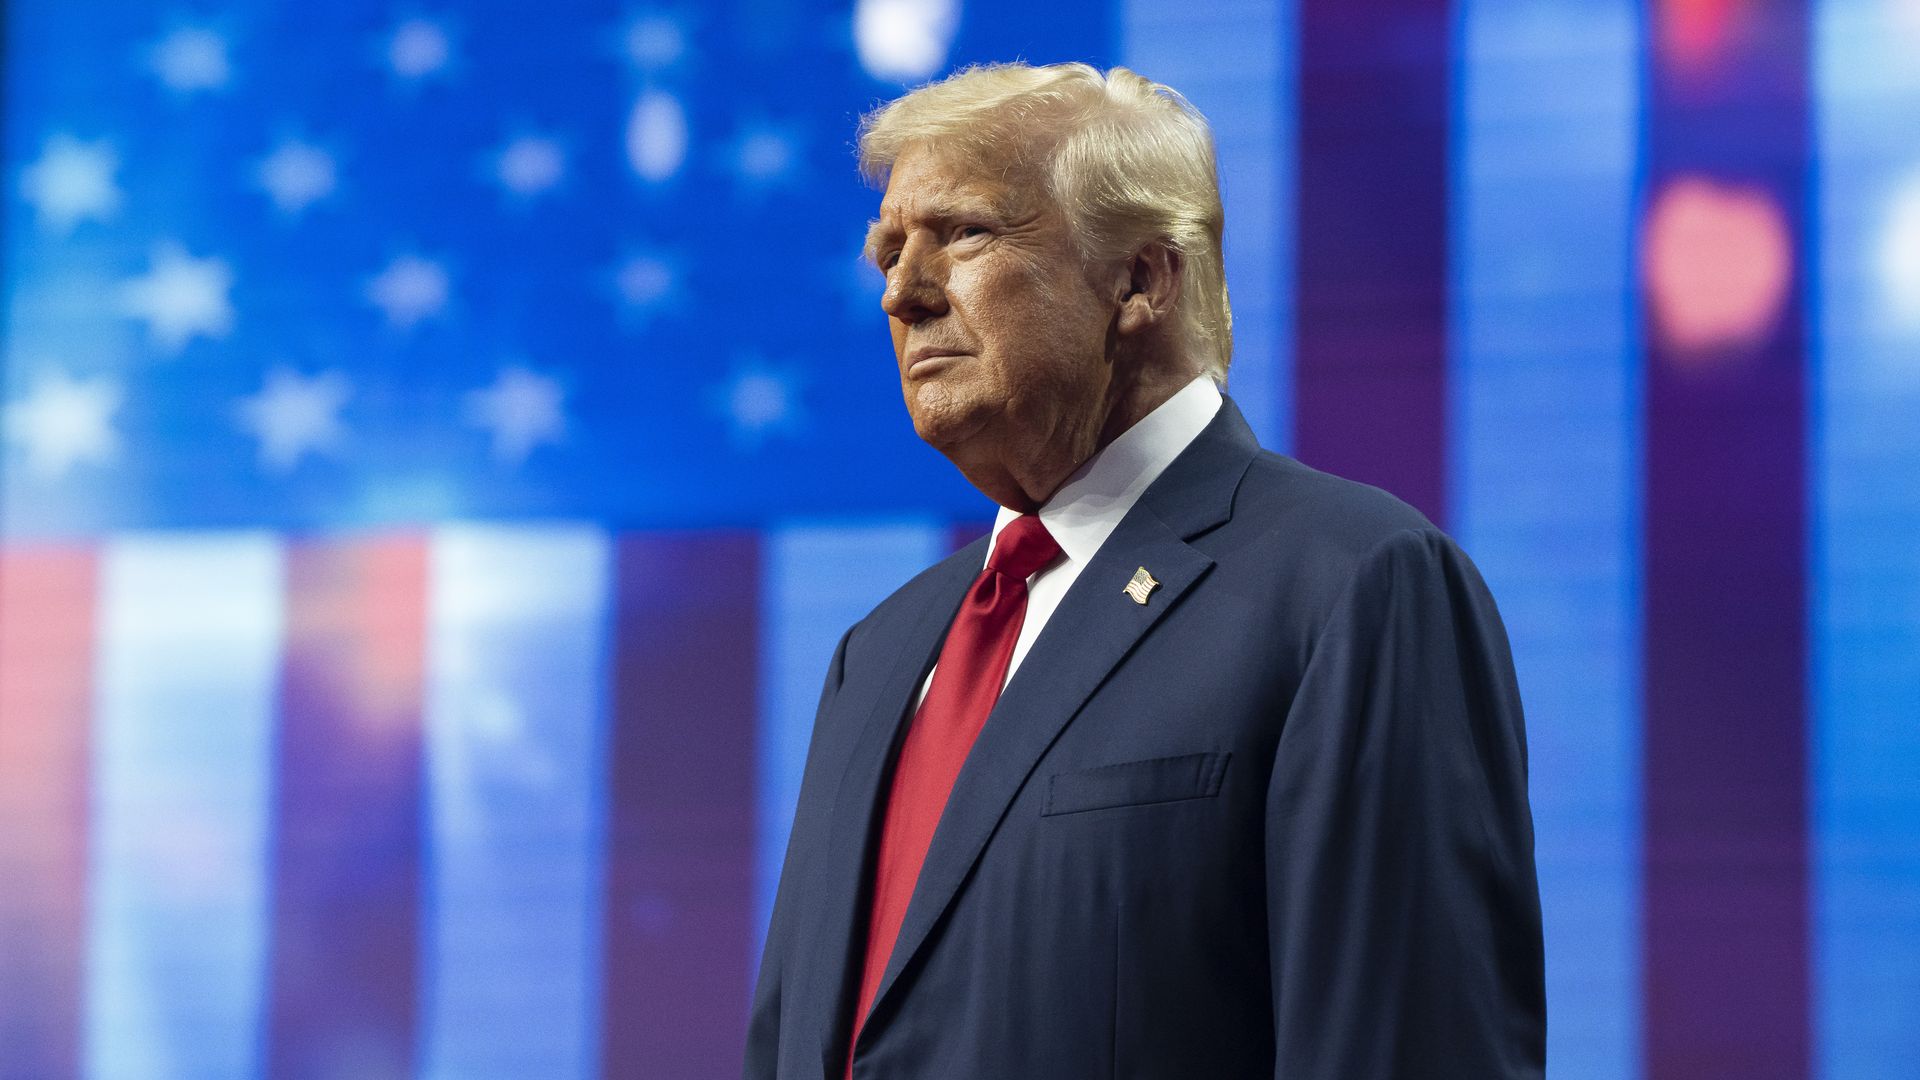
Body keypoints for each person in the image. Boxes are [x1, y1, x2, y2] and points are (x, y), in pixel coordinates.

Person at [744, 62, 1544, 1079]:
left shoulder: (1350, 588)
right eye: (890, 252)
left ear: (1141, 281)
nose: (902, 291)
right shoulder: (880, 655)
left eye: (965, 233)